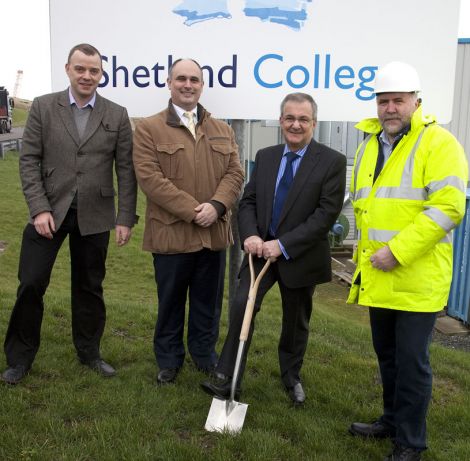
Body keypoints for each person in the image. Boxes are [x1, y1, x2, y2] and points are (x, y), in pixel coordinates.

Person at [347, 61, 468, 461]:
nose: (390, 108)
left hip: (417, 278)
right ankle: (391, 420)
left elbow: (448, 208)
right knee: (388, 357)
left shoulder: (439, 143)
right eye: (383, 101)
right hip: (381, 276)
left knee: (413, 363)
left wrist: (396, 251)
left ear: (416, 102)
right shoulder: (368, 146)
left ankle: (411, 443)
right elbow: (366, 212)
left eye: (398, 100)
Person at [1, 43, 138, 385]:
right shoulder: (44, 107)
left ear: (101, 74)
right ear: (68, 69)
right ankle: (19, 359)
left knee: (89, 286)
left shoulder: (117, 114)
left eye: (94, 70)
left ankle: (89, 352)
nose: (87, 76)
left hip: (96, 213)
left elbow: (126, 169)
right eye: (81, 69)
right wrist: (39, 208)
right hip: (49, 211)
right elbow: (28, 159)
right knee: (31, 283)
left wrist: (125, 218)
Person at [201, 92, 347, 405]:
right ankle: (228, 377)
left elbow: (324, 215)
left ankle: (291, 377)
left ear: (313, 123)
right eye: (290, 118)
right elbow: (249, 200)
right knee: (242, 305)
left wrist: (282, 245)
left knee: (296, 322)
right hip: (259, 254)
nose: (296, 125)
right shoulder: (266, 156)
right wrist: (250, 235)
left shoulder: (331, 162)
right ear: (281, 121)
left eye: (303, 119)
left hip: (300, 256)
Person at [132, 58, 244, 385]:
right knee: (170, 303)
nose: (188, 85)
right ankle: (169, 360)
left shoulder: (222, 130)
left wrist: (217, 205)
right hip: (171, 236)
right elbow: (150, 179)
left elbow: (235, 173)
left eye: (194, 79)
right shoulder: (149, 129)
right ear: (169, 83)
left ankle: (203, 355)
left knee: (207, 305)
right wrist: (196, 210)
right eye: (181, 78)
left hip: (213, 236)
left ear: (202, 85)